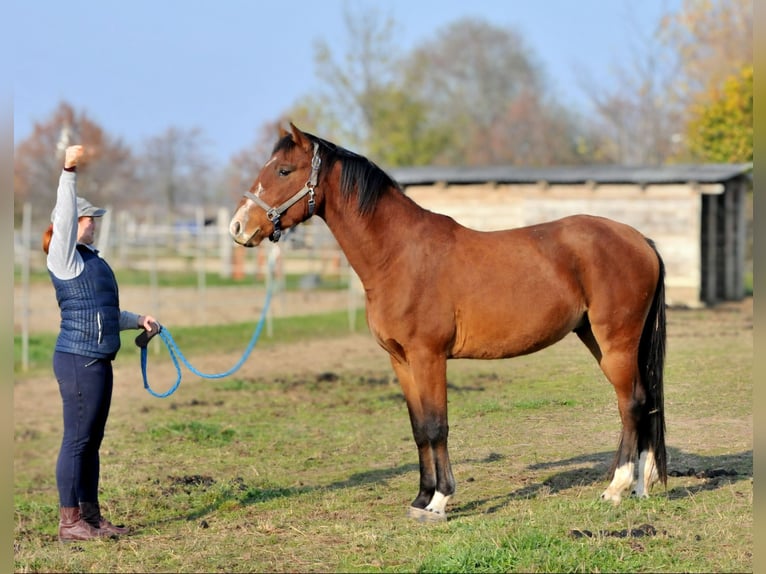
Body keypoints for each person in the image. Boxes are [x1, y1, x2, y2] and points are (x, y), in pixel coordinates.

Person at [42, 144, 158, 543]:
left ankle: (90, 517)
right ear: (76, 221)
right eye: (90, 218)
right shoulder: (65, 257)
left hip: (99, 359)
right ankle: (69, 522)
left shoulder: (93, 259)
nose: (95, 223)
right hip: (78, 360)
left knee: (91, 441)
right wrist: (69, 169)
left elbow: (103, 312)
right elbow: (64, 209)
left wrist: (137, 320)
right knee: (76, 440)